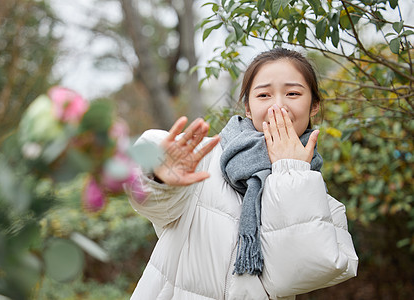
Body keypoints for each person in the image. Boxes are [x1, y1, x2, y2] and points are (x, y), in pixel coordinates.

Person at [128, 48, 358, 300]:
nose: (278, 106)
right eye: (264, 95)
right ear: (248, 107)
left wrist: (291, 173)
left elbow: (293, 276)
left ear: (314, 105)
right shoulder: (202, 160)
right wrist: (159, 176)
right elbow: (155, 204)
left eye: (292, 93)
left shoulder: (320, 201)